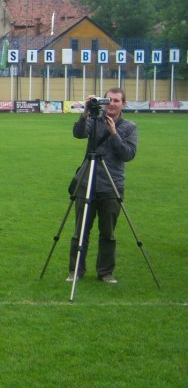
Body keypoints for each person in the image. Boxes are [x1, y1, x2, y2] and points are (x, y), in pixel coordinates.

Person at [68, 88, 138, 284]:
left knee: (108, 233)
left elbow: (128, 155)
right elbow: (78, 134)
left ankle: (105, 272)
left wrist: (114, 133)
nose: (112, 104)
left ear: (123, 104)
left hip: (112, 184)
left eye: (116, 100)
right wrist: (85, 113)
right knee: (80, 231)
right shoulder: (94, 120)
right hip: (87, 182)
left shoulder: (129, 127)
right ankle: (76, 270)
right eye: (108, 100)